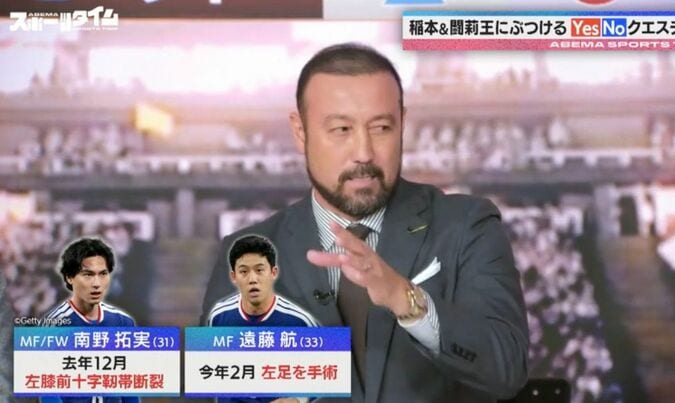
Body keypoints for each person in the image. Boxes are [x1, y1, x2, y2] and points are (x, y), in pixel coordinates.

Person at [202, 43, 529, 403]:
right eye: (341, 129)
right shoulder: (249, 252)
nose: (364, 153)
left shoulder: (466, 226)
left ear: (402, 123)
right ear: (300, 131)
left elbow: (507, 367)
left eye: (382, 128)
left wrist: (407, 300)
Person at [207, 235, 319, 403]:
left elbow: (329, 372)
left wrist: (297, 399)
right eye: (244, 272)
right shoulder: (219, 317)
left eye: (259, 270)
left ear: (273, 272)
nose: (253, 279)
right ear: (233, 276)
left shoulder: (299, 321)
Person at [42, 238, 138, 403]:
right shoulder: (54, 325)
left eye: (103, 274)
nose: (96, 283)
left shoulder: (123, 322)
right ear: (69, 277)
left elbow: (129, 386)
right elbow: (48, 392)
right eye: (88, 275)